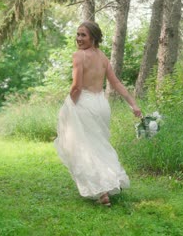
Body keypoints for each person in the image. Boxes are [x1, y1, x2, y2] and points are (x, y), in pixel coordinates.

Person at [54, 21, 142, 207]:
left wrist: (70, 104)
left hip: (84, 103)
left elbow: (77, 86)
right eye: (77, 34)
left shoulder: (79, 56)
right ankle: (108, 182)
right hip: (101, 104)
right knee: (99, 145)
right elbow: (116, 83)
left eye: (83, 35)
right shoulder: (102, 57)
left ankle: (101, 189)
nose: (78, 39)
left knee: (84, 147)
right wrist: (133, 104)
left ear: (93, 37)